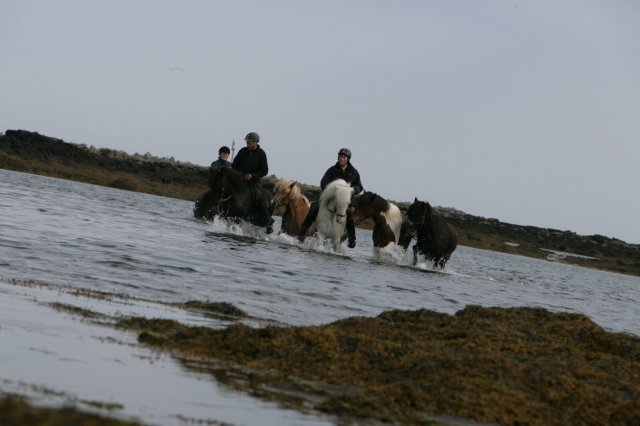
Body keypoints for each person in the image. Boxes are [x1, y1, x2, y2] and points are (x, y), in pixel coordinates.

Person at [298, 148, 363, 248]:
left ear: (348, 159)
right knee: (315, 205)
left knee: (350, 213)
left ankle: (352, 238)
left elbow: (360, 186)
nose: (342, 159)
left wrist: (356, 189)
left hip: (346, 200)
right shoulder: (332, 170)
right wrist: (330, 190)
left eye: (344, 157)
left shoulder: (354, 172)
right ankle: (303, 228)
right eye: (340, 157)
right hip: (331, 197)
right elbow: (323, 182)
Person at [232, 132, 274, 233]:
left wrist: (252, 176)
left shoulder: (261, 153)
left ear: (255, 142)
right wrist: (239, 175)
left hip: (254, 182)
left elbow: (265, 171)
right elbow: (234, 165)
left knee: (260, 196)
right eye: (247, 142)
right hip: (240, 180)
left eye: (249, 142)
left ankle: (268, 221)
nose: (247, 144)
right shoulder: (242, 151)